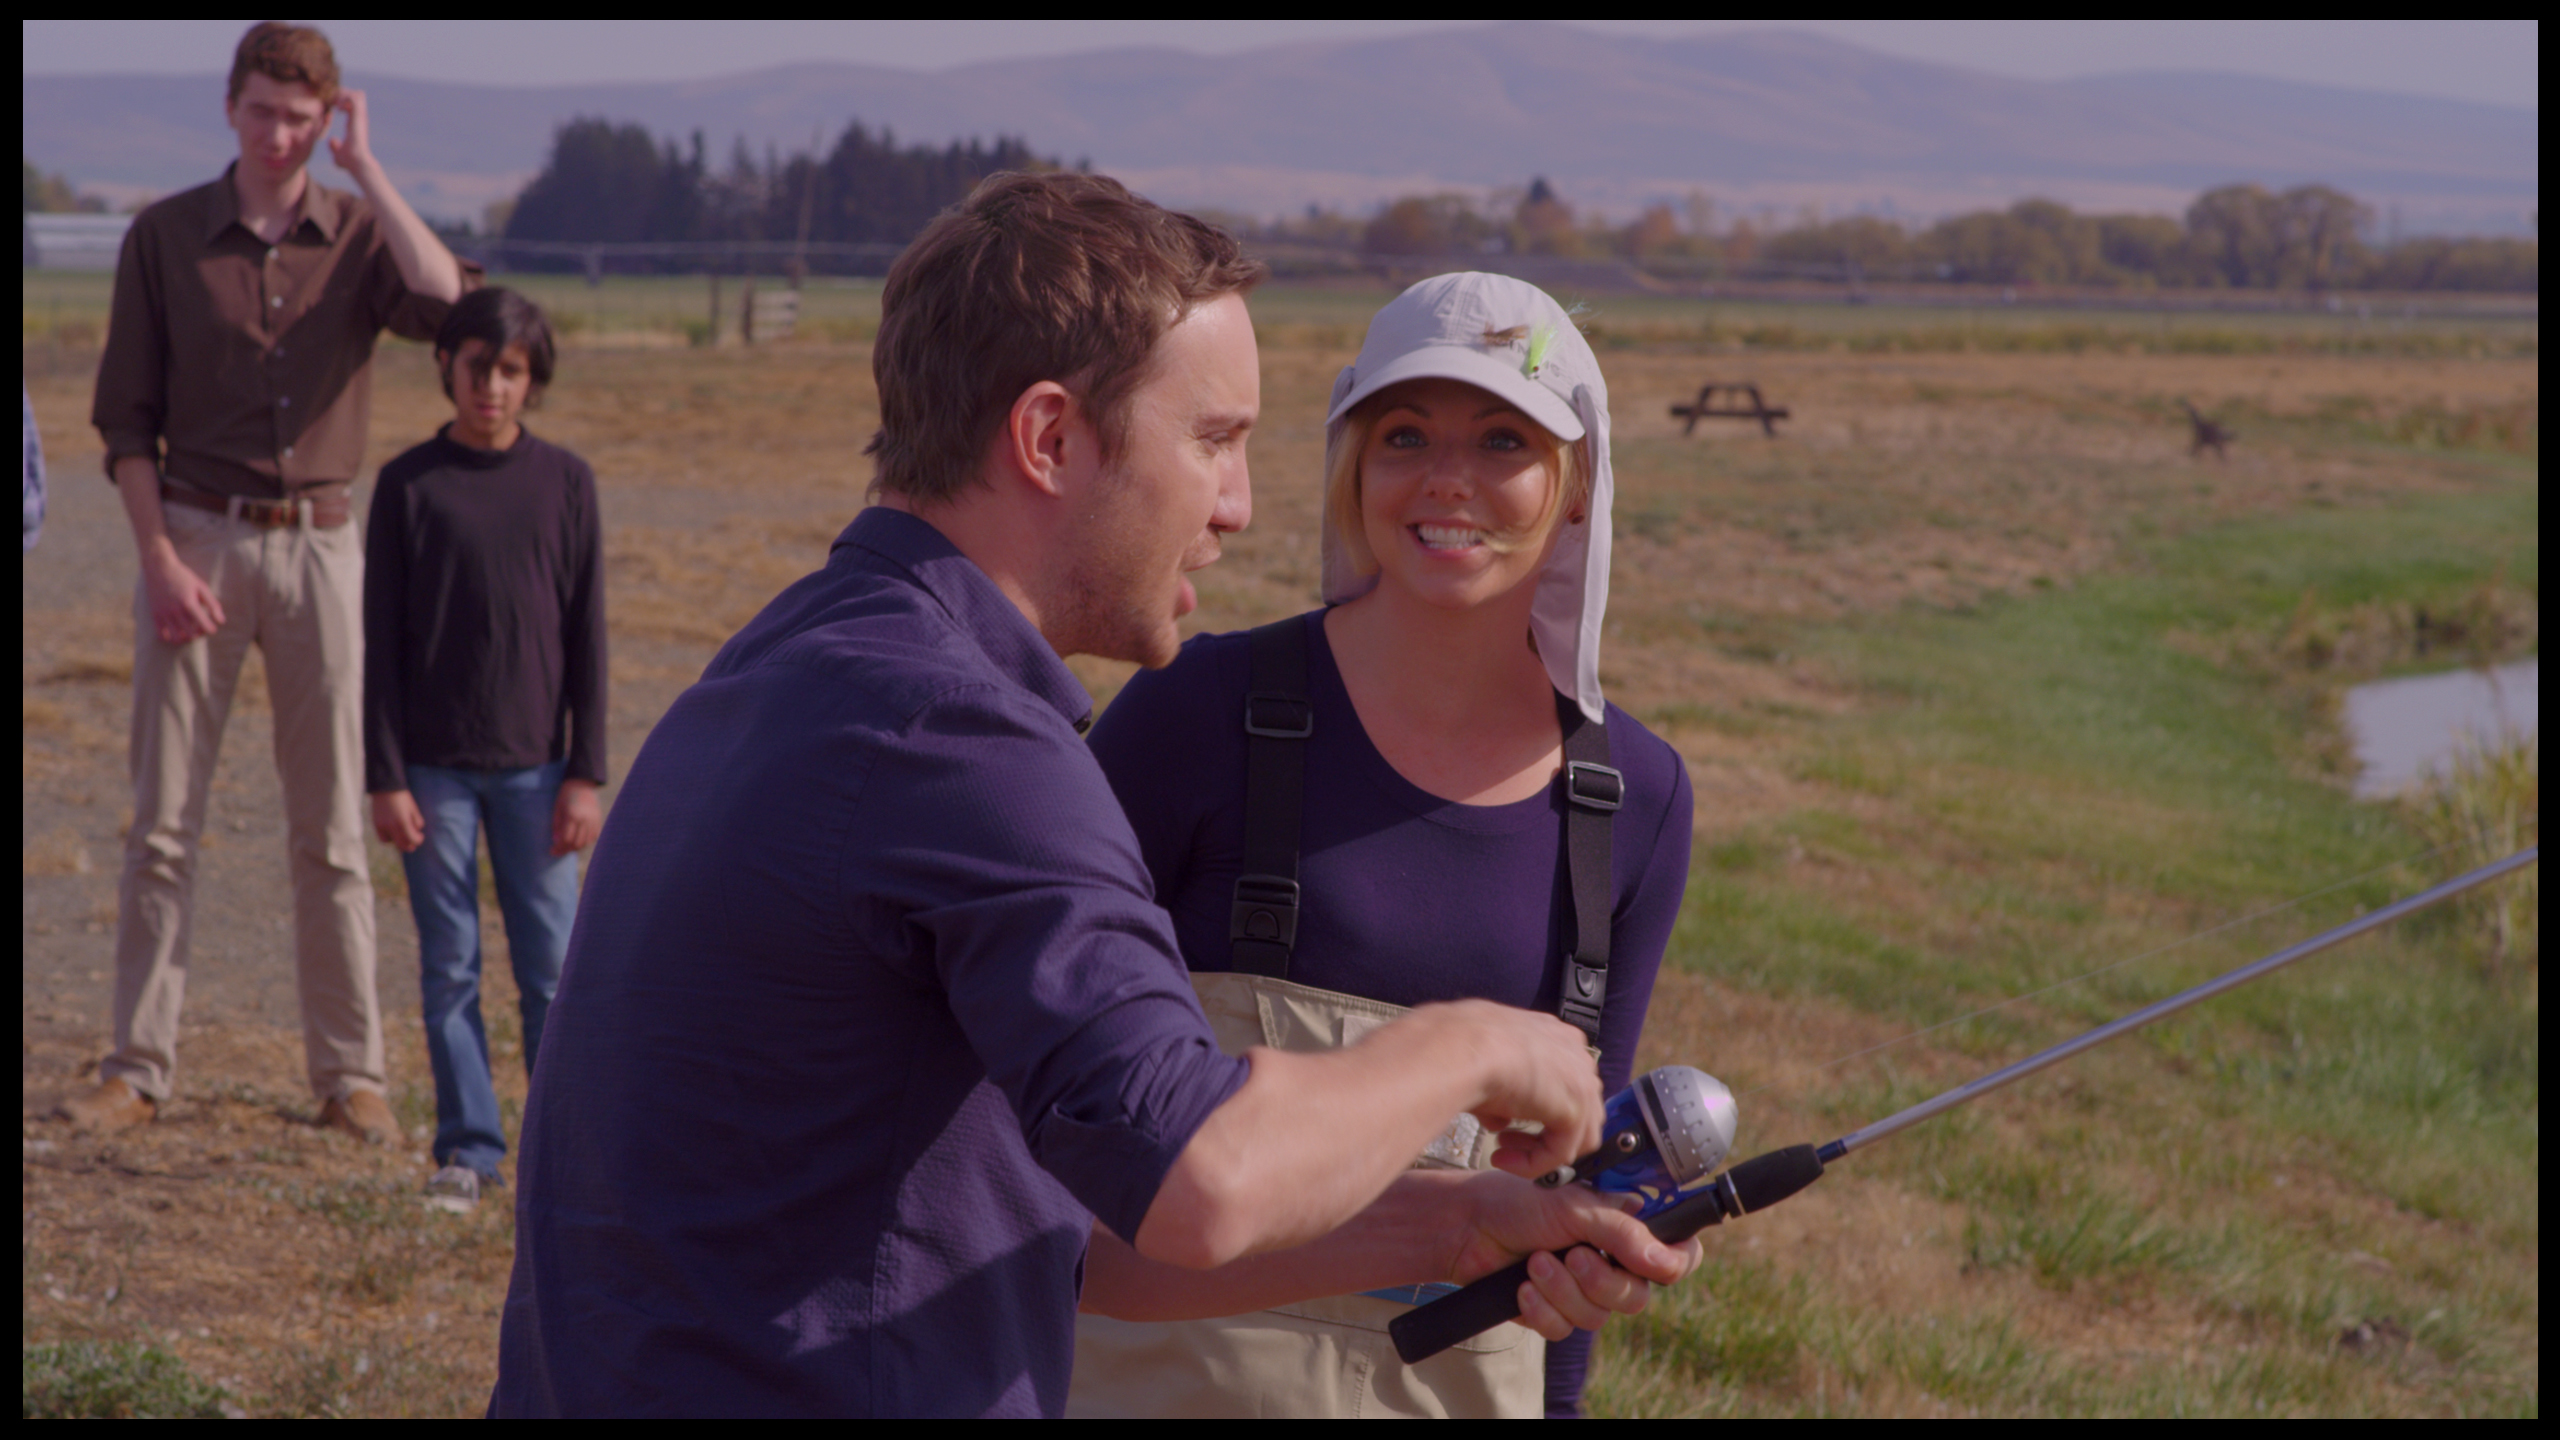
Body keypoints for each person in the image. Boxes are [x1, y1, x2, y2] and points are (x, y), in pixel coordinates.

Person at [491, 173, 1698, 1418]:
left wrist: (1446, 1234)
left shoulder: (801, 662)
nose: (1236, 506)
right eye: (1213, 439)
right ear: (1051, 438)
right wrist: (1480, 1042)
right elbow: (1204, 1174)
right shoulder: (965, 743)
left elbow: (1074, 1227)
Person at [1070, 272, 1692, 1417]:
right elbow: (1027, 1136)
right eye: (1403, 434)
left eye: (1502, 438)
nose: (1446, 479)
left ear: (1573, 489)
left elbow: (1573, 1194)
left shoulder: (1633, 797)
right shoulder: (1195, 712)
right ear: (1351, 467)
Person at [57, 21, 473, 1142]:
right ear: (230, 108)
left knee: (333, 828)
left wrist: (370, 171)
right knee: (162, 826)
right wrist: (156, 560)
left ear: (326, 118)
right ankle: (135, 1070)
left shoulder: (360, 237)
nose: (280, 135)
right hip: (194, 537)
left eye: (303, 117)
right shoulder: (163, 238)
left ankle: (351, 1079)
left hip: (326, 547)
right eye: (263, 112)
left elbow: (450, 305)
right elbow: (123, 421)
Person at [364, 288, 604, 1214]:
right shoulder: (407, 484)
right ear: (447, 367)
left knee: (554, 973)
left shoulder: (567, 483)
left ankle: (563, 1152)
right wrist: (385, 776)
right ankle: (468, 1150)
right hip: (431, 772)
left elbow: (590, 635)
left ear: (532, 379)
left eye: (511, 371)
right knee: (450, 969)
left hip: (542, 772)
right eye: (477, 367)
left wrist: (586, 770)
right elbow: (378, 645)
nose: (492, 387)